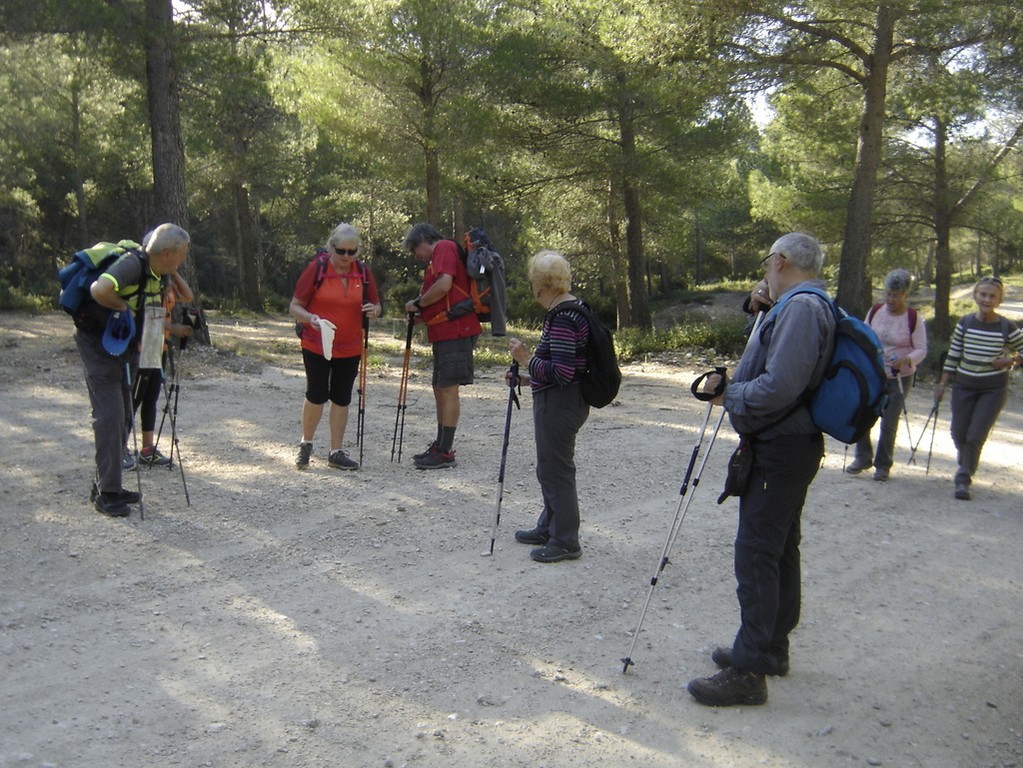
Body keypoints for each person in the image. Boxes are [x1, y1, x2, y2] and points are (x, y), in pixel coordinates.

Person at [687, 232, 835, 707]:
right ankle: (770, 647)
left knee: (756, 552)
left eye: (768, 262)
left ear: (782, 260)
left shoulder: (803, 309)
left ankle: (749, 670)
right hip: (787, 444)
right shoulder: (797, 304)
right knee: (779, 547)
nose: (765, 270)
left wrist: (727, 394)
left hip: (781, 446)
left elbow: (780, 386)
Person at [76, 223, 191, 517]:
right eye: (181, 255)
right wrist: (123, 309)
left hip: (123, 346)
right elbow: (99, 289)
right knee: (111, 414)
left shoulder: (157, 272)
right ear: (166, 253)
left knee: (124, 413)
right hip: (99, 345)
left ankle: (106, 485)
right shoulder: (131, 265)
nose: (183, 260)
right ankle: (107, 495)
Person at [508, 250, 591, 563]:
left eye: (533, 281)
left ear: (541, 285)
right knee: (549, 466)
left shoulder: (563, 318)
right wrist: (528, 378)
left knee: (556, 470)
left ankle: (566, 539)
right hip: (564, 398)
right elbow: (564, 367)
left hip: (560, 403)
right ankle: (549, 525)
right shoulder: (575, 308)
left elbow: (563, 372)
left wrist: (526, 359)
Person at [290, 223, 382, 471]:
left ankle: (335, 452)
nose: (346, 257)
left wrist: (374, 311)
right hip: (316, 342)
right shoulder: (317, 269)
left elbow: (376, 304)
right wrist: (311, 319)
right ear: (331, 248)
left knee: (342, 397)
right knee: (316, 394)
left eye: (352, 252)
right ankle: (306, 444)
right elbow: (295, 306)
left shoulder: (362, 272)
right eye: (341, 251)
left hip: (350, 345)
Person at [934, 276, 1023, 500]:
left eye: (992, 296)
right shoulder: (965, 323)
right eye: (983, 294)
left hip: (993, 389)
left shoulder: (1006, 326)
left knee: (975, 435)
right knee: (958, 433)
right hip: (964, 386)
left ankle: (963, 478)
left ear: (999, 300)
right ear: (975, 295)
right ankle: (967, 462)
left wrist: (1010, 361)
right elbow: (953, 355)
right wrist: (942, 384)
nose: (987, 299)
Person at [402, 223, 482, 469]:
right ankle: (440, 444)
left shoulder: (444, 248)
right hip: (444, 331)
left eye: (416, 248)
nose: (416, 254)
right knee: (439, 386)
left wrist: (418, 303)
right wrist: (421, 313)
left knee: (447, 388)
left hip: (456, 330)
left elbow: (445, 284)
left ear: (426, 239)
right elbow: (441, 295)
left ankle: (445, 451)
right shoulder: (436, 258)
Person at [846, 268, 928, 481]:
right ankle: (863, 457)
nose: (891, 299)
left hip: (900, 376)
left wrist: (907, 359)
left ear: (905, 296)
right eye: (888, 294)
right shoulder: (875, 311)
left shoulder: (913, 318)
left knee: (889, 421)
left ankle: (883, 465)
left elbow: (921, 348)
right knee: (863, 413)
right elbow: (865, 335)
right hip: (874, 373)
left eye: (896, 295)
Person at [130, 269, 194, 468]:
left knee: (151, 398)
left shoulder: (166, 282)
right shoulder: (147, 282)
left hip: (160, 347)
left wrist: (173, 272)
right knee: (134, 399)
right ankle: (120, 448)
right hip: (145, 346)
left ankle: (147, 450)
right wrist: (173, 328)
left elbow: (188, 295)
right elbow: (147, 317)